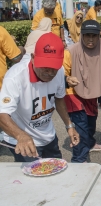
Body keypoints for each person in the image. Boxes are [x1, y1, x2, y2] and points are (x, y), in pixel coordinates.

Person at [0, 33, 79, 162]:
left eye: (53, 68)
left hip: (48, 136)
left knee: (56, 172)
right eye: (45, 67)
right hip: (22, 141)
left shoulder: (59, 72)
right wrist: (20, 136)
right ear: (33, 58)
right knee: (32, 180)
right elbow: (2, 114)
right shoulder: (15, 77)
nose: (49, 73)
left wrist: (69, 126)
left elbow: (59, 99)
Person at [63, 20, 101, 163]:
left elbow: (100, 73)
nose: (90, 39)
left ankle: (89, 143)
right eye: (87, 35)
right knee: (80, 127)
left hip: (92, 93)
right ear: (81, 35)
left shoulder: (100, 49)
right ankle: (79, 160)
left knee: (91, 122)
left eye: (94, 36)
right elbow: (62, 72)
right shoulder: (71, 51)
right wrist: (67, 78)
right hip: (73, 93)